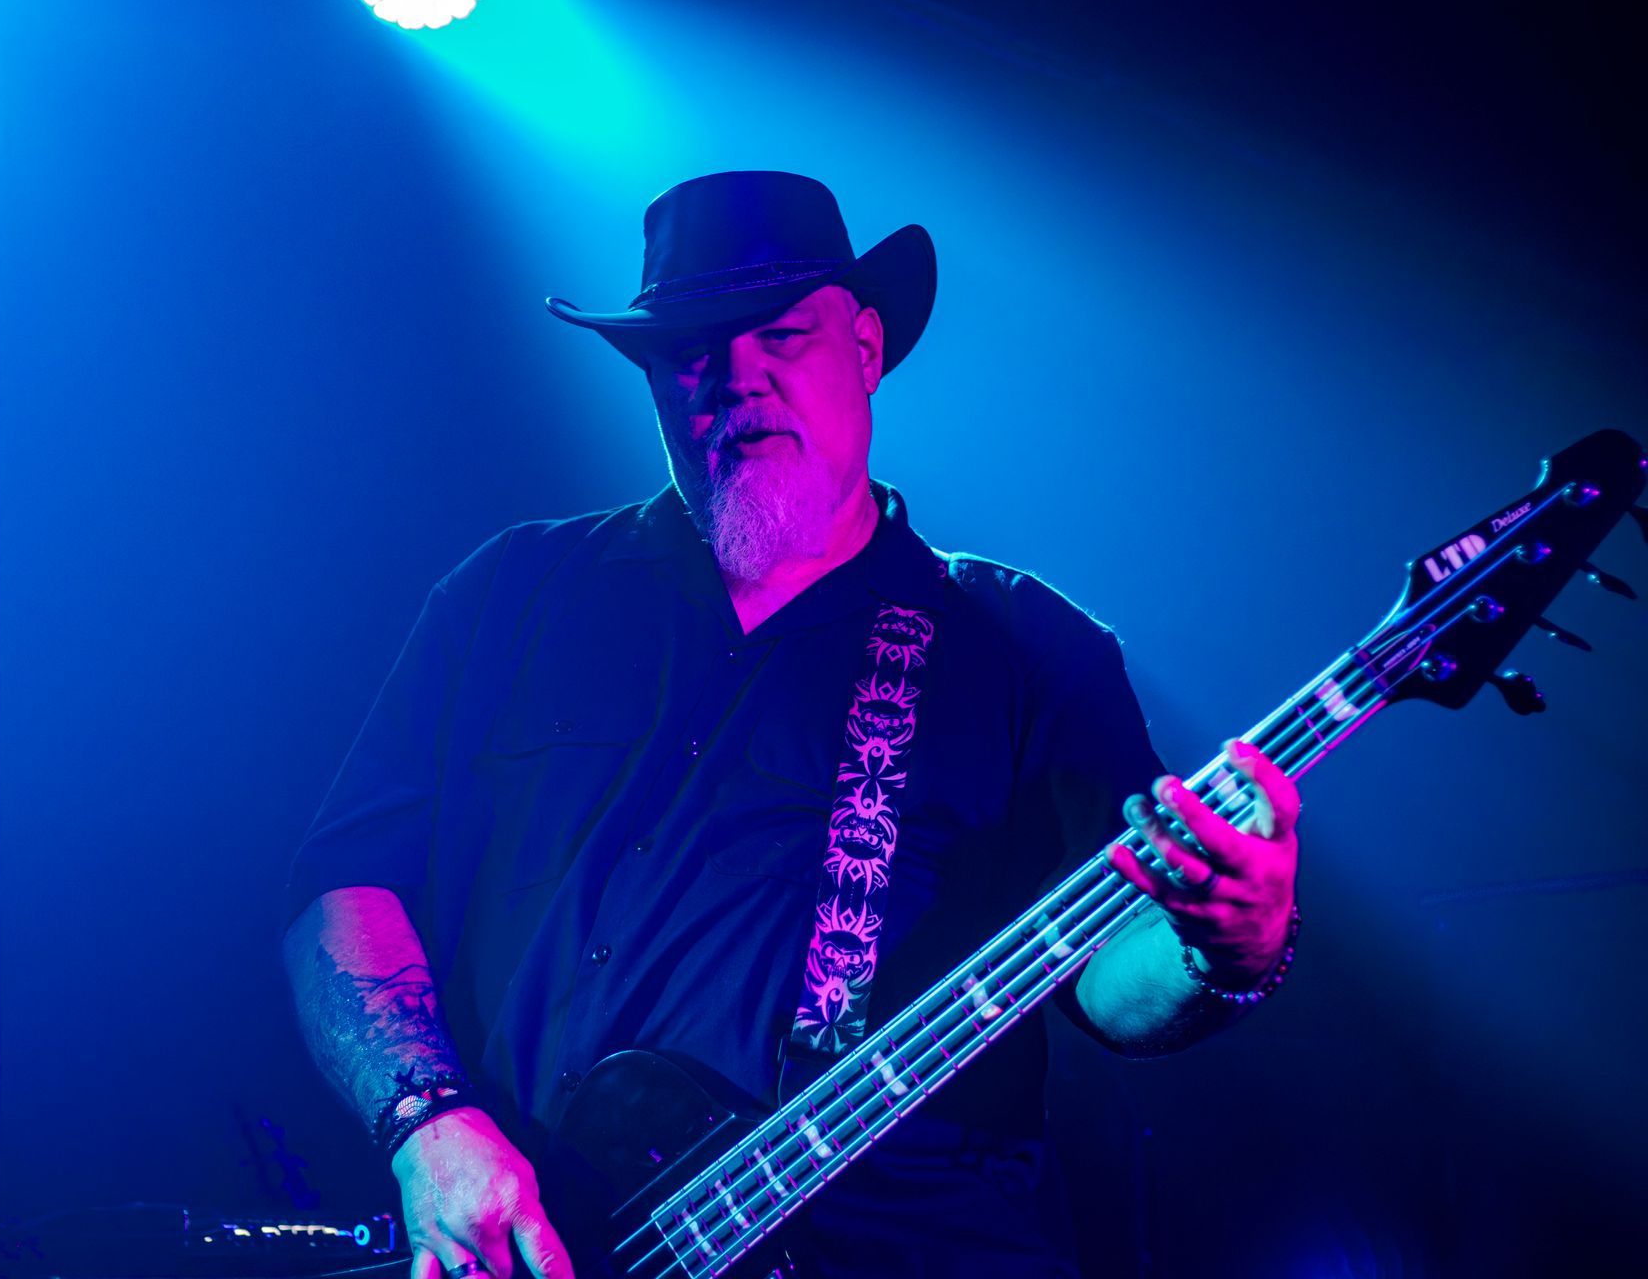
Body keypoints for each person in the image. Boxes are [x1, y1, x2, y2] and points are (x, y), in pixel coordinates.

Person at [282, 171, 1301, 1279]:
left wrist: (1227, 942)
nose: (735, 378)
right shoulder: (509, 595)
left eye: (781, 334)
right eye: (690, 349)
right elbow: (344, 891)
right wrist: (426, 1121)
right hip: (556, 1247)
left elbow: (1109, 977)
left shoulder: (1022, 645)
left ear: (865, 346)